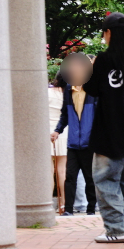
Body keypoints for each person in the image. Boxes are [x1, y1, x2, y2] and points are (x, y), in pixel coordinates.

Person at [83, 12, 124, 243]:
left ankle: (116, 229)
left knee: (105, 181)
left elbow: (91, 89)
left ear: (108, 32)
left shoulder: (105, 59)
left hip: (110, 132)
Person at [52, 54, 98, 216]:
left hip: (89, 142)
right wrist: (57, 130)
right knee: (70, 177)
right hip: (72, 142)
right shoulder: (68, 91)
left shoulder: (94, 91)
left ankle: (91, 209)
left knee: (89, 178)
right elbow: (65, 114)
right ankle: (69, 210)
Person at [47, 72, 68, 214]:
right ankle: (63, 204)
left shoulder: (47, 92)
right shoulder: (69, 94)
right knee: (62, 170)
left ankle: (47, 203)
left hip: (47, 132)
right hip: (63, 132)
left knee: (48, 171)